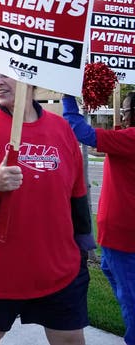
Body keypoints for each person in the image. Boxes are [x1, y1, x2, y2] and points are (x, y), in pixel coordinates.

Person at [0, 72, 94, 345]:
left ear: (32, 77)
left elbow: (77, 194)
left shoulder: (61, 129)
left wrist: (83, 246)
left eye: (7, 74)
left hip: (57, 264)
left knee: (70, 339)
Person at [63, 92, 135, 345]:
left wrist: (68, 97)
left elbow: (81, 131)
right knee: (110, 271)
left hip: (123, 234)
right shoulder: (126, 139)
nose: (124, 117)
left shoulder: (131, 139)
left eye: (126, 111)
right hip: (122, 233)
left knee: (130, 297)